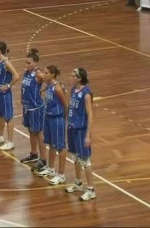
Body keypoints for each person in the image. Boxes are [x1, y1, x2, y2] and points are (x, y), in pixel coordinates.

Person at [65, 67, 96, 201]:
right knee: (76, 157)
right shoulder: (73, 90)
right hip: (72, 128)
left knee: (85, 160)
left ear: (79, 78)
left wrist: (88, 135)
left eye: (73, 76)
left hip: (81, 130)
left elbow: (90, 115)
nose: (70, 77)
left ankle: (91, 189)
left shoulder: (86, 93)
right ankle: (78, 183)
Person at [37, 65, 68, 186]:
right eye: (44, 73)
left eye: (46, 73)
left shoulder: (57, 88)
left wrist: (65, 119)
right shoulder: (49, 85)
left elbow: (65, 105)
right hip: (48, 117)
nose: (43, 75)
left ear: (53, 75)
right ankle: (50, 169)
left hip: (57, 119)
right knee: (51, 144)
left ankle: (61, 175)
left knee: (60, 147)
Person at [0, 41, 20, 150]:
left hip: (4, 94)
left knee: (8, 117)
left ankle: (10, 141)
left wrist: (8, 86)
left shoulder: (6, 62)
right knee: (0, 115)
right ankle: (0, 136)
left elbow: (16, 76)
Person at [19, 48, 47, 172]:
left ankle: (44, 159)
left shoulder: (38, 73)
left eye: (29, 63)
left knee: (38, 133)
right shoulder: (27, 72)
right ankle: (33, 154)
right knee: (31, 131)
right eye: (26, 62)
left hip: (36, 108)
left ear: (35, 63)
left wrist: (42, 90)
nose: (27, 65)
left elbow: (50, 81)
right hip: (27, 107)